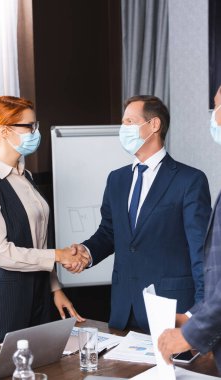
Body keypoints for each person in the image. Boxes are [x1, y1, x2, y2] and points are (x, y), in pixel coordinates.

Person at [65, 95, 211, 332]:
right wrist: (87, 252)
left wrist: (199, 312)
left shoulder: (190, 181)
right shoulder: (117, 179)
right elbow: (109, 232)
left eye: (130, 122)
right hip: (123, 310)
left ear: (154, 125)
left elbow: (201, 252)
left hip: (171, 312)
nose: (124, 129)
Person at [0, 95, 89, 344]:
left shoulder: (27, 177)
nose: (35, 132)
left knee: (41, 366)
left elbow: (39, 242)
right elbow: (1, 253)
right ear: (4, 131)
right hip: (5, 302)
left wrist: (55, 289)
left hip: (38, 295)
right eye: (29, 127)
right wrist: (59, 255)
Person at [158, 86, 221, 373]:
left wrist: (189, 334)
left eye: (217, 106)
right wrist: (194, 319)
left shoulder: (189, 180)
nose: (214, 115)